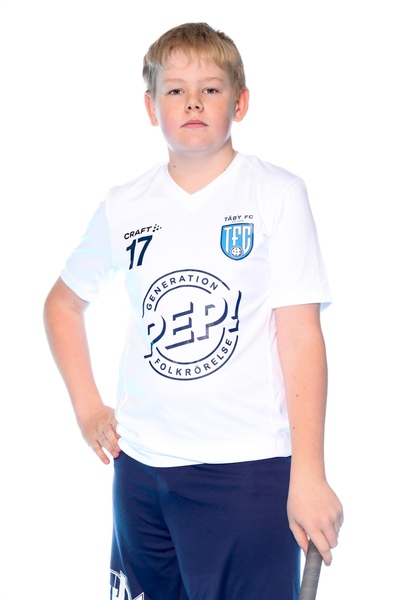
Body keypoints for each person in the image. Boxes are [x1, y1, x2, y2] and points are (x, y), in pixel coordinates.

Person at [43, 22, 343, 600]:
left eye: (210, 88)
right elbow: (62, 303)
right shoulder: (125, 204)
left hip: (245, 472)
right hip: (140, 470)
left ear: (241, 102)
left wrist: (309, 472)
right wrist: (87, 408)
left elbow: (301, 337)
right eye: (175, 90)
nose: (193, 102)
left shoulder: (275, 194)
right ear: (151, 107)